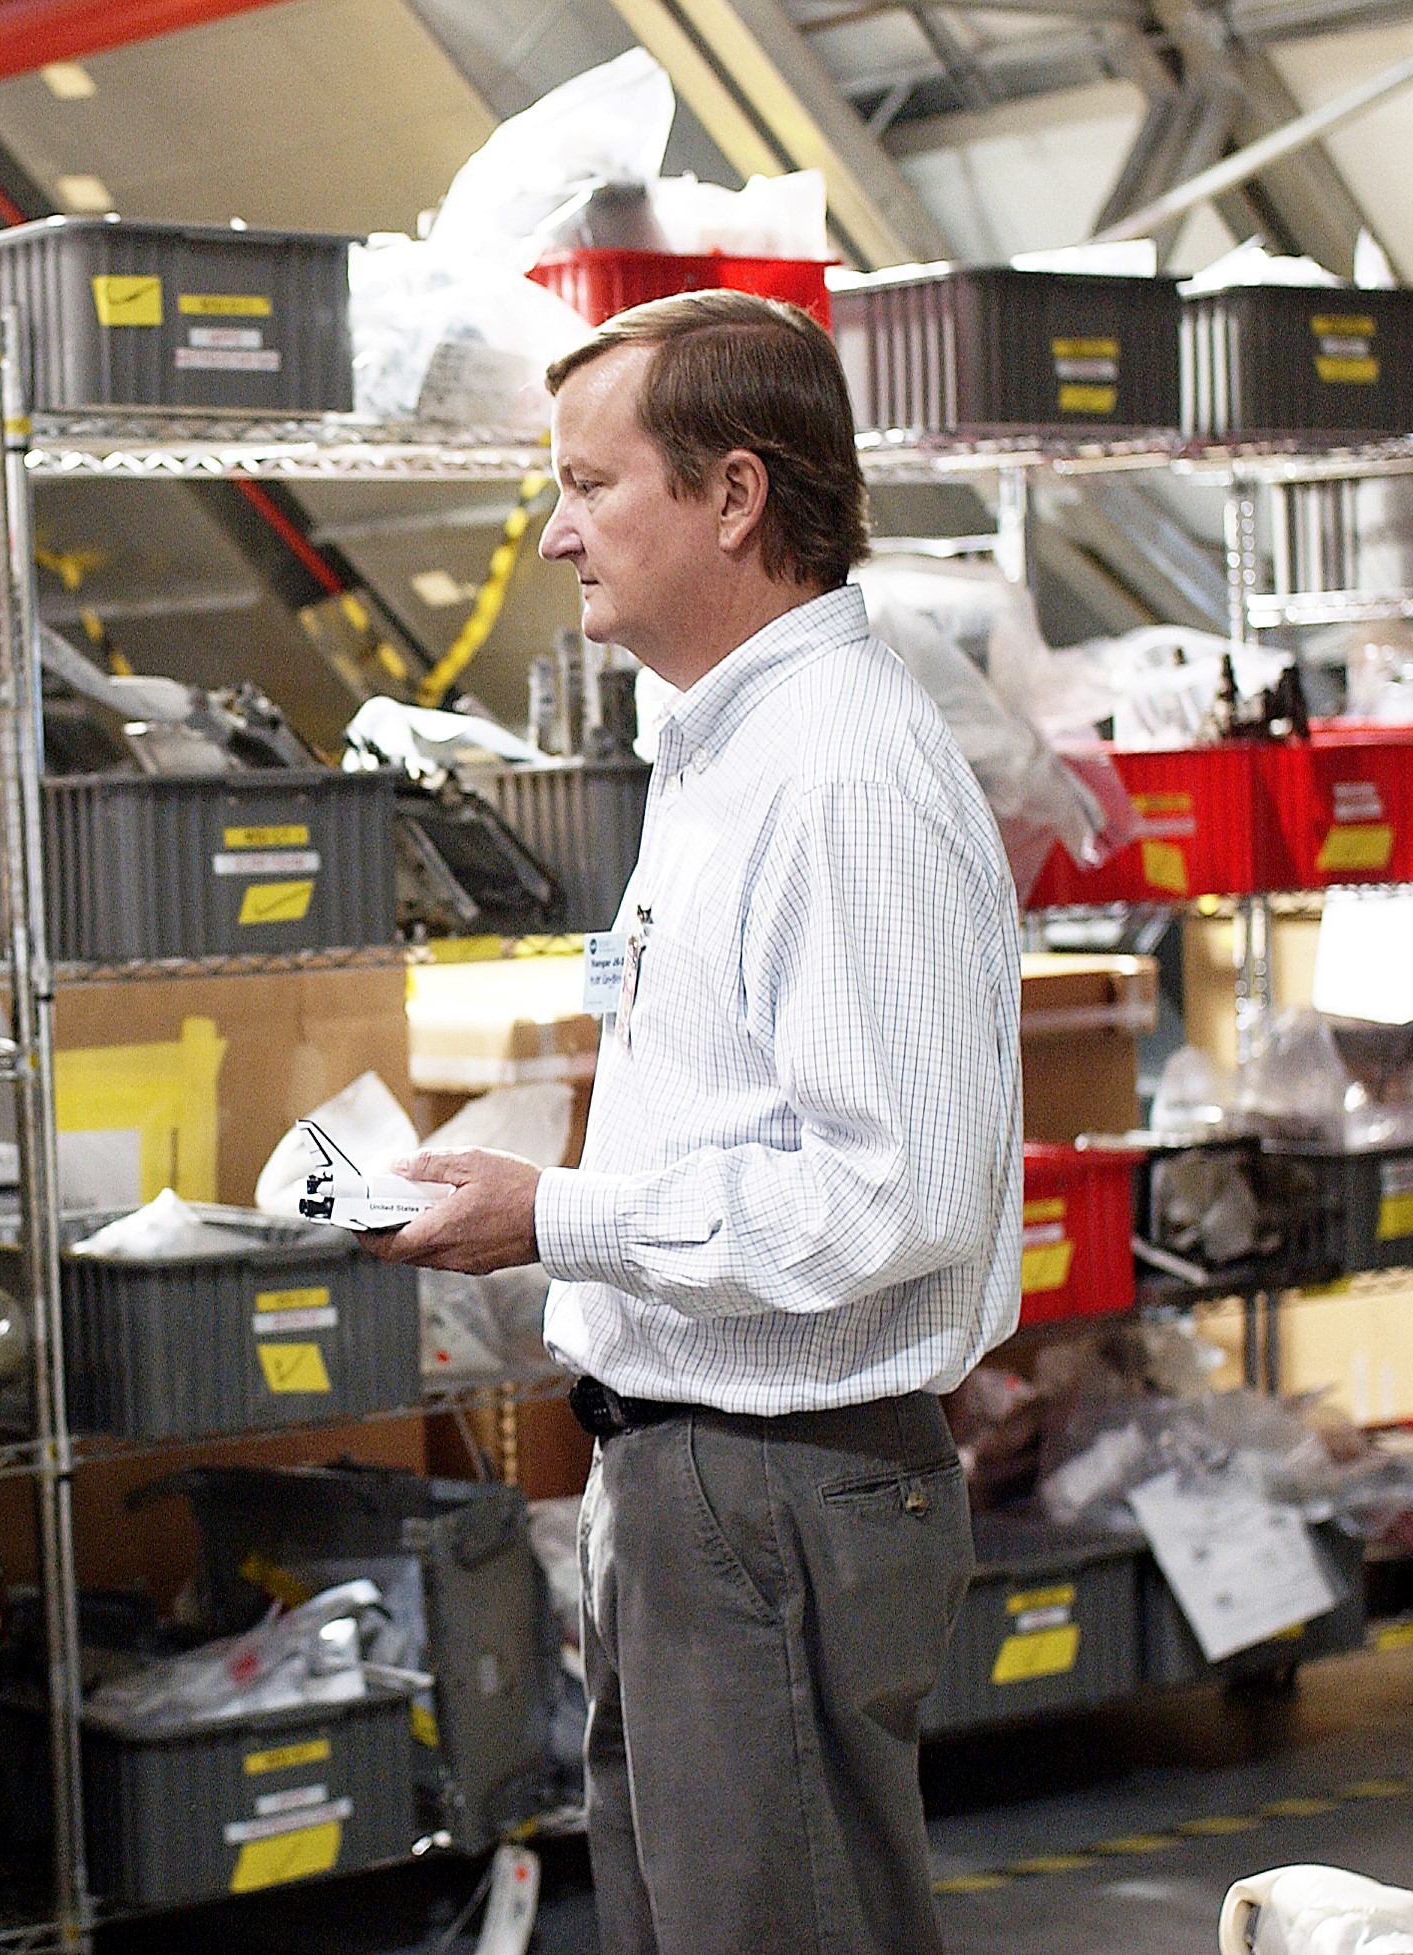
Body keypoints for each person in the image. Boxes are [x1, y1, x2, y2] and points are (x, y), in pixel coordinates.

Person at [369, 290, 1021, 1955]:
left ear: (736, 498)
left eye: (592, 488)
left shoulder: (836, 777)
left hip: (778, 1487)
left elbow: (896, 1196)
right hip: (701, 1483)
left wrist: (559, 1214)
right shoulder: (728, 754)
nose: (557, 538)